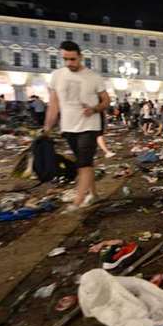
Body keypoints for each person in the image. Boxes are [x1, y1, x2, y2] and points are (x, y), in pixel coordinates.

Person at [44, 41, 110, 212]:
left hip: (90, 125)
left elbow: (106, 101)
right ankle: (94, 194)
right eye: (65, 59)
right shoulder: (57, 75)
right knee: (84, 163)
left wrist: (94, 109)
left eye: (72, 59)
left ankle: (77, 202)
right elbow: (53, 105)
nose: (69, 63)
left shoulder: (93, 77)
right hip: (68, 127)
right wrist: (47, 128)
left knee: (84, 164)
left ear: (80, 57)